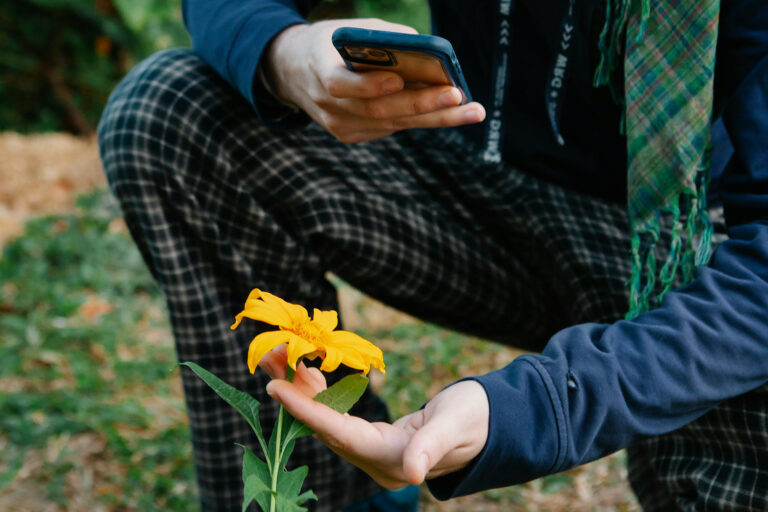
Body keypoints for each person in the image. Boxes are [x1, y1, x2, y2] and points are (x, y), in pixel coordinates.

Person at [97, 0, 768, 510]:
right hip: (477, 183)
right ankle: (313, 493)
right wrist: (288, 54)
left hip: (697, 251)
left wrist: (521, 412)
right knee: (172, 109)